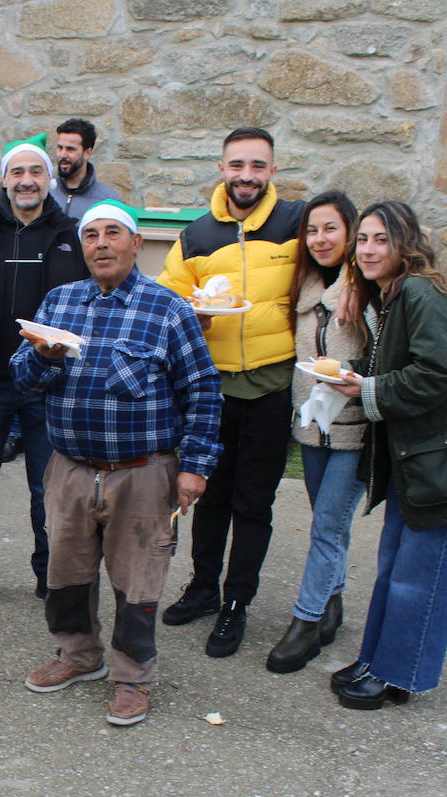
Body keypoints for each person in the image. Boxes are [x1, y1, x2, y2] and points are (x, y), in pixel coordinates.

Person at [10, 200, 221, 726]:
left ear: (134, 243)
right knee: (66, 573)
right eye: (91, 236)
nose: (101, 244)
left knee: (139, 582)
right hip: (70, 469)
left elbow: (203, 391)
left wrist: (195, 466)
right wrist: (43, 357)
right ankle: (78, 656)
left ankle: (133, 677)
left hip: (142, 472)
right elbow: (23, 378)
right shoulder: (58, 303)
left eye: (112, 234)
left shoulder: (168, 309)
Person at [325, 201, 447, 710]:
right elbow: (398, 360)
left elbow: (439, 370)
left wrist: (368, 389)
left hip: (446, 465)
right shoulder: (392, 296)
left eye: (380, 239)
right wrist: (351, 372)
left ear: (405, 243)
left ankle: (399, 674)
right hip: (420, 463)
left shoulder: (420, 292)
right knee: (394, 569)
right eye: (362, 239)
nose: (367, 249)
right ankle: (376, 661)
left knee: (420, 578)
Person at [156, 126, 303, 658]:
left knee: (254, 501)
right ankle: (201, 587)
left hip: (269, 382)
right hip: (212, 388)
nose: (247, 176)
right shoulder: (196, 236)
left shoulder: (295, 224)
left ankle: (237, 602)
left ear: (272, 171)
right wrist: (192, 316)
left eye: (258, 166)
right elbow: (170, 305)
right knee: (209, 494)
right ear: (221, 169)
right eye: (237, 165)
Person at [0, 133, 89, 608]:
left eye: (35, 172)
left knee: (46, 488)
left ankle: (49, 572)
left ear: (49, 179)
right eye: (17, 173)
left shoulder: (74, 238)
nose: (26, 181)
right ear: (3, 180)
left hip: (52, 385)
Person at [265, 191, 370, 674]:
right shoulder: (305, 286)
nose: (320, 238)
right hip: (312, 427)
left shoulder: (368, 286)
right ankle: (333, 604)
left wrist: (352, 374)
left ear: (349, 231)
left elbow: (391, 353)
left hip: (355, 430)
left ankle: (306, 622)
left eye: (330, 228)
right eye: (312, 229)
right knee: (331, 523)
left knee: (327, 525)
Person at [49, 117, 121, 222]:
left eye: (70, 149)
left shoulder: (108, 200)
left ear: (87, 153)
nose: (63, 155)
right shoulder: (45, 192)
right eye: (60, 148)